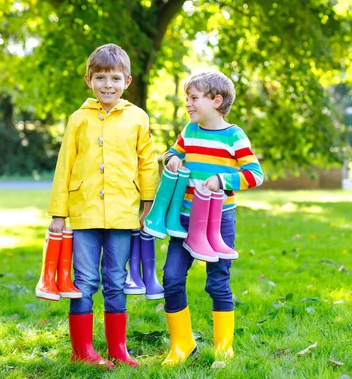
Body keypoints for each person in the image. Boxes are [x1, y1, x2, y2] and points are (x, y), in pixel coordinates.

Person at [47, 43, 159, 369]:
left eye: (114, 77)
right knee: (83, 281)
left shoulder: (137, 118)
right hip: (84, 214)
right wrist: (58, 213)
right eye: (100, 78)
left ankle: (118, 350)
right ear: (88, 80)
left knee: (116, 278)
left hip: (124, 212)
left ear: (127, 80)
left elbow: (147, 164)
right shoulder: (78, 119)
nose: (107, 84)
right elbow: (64, 165)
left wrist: (148, 203)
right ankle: (81, 351)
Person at [160, 70, 264, 365]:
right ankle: (182, 344)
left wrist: (222, 179)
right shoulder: (189, 132)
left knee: (218, 281)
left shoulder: (234, 136)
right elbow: (171, 152)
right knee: (172, 277)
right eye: (187, 99)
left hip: (218, 222)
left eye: (193, 98)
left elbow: (255, 174)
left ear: (216, 101)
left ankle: (223, 348)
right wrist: (172, 158)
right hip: (183, 220)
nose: (188, 104)